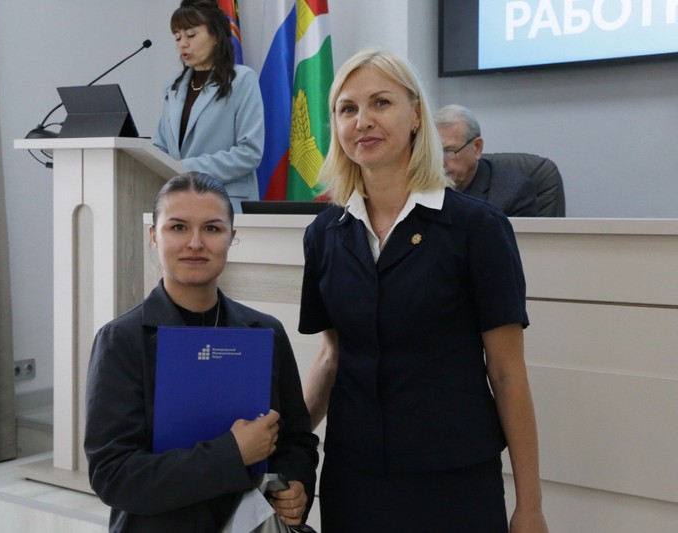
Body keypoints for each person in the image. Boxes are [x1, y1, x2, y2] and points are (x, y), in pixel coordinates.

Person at [300, 49, 548, 532]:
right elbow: (332, 357)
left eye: (381, 103)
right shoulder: (324, 235)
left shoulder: (478, 228)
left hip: (453, 482)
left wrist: (530, 505)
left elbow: (506, 372)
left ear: (416, 115)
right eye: (348, 109)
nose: (363, 121)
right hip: (354, 479)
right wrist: (278, 443)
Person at [84, 172, 319, 532]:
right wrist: (232, 453)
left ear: (232, 237)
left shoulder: (265, 332)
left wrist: (296, 484)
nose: (195, 243)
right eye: (178, 228)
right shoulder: (122, 341)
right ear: (154, 236)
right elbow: (113, 474)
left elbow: (296, 439)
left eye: (212, 228)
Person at [153, 0, 265, 213]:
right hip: (177, 203)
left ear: (215, 36)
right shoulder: (173, 87)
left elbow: (249, 152)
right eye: (177, 37)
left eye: (191, 35)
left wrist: (184, 169)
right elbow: (161, 147)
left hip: (224, 202)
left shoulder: (242, 80)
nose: (182, 44)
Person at [434, 104, 537, 217]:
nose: (439, 162)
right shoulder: (423, 187)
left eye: (448, 151)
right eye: (433, 152)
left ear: (477, 147)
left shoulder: (513, 192)